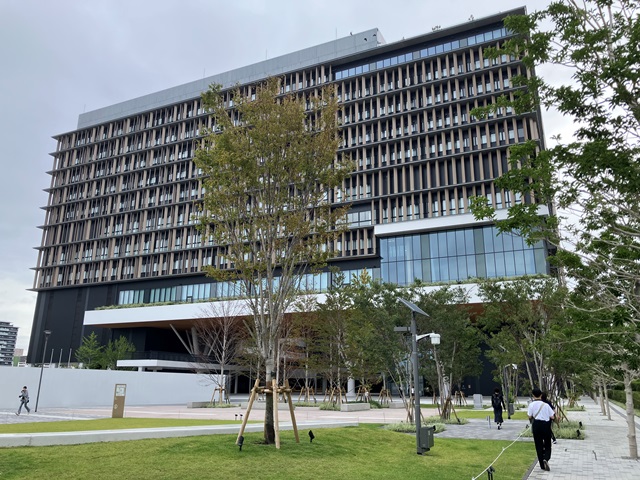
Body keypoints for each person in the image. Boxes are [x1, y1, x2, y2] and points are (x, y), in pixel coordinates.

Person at [528, 387, 555, 471]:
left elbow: (529, 416)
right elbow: (552, 416)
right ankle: (546, 458)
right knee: (547, 443)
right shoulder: (546, 405)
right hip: (545, 425)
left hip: (536, 425)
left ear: (533, 395)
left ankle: (542, 465)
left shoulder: (531, 405)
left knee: (538, 444)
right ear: (541, 395)